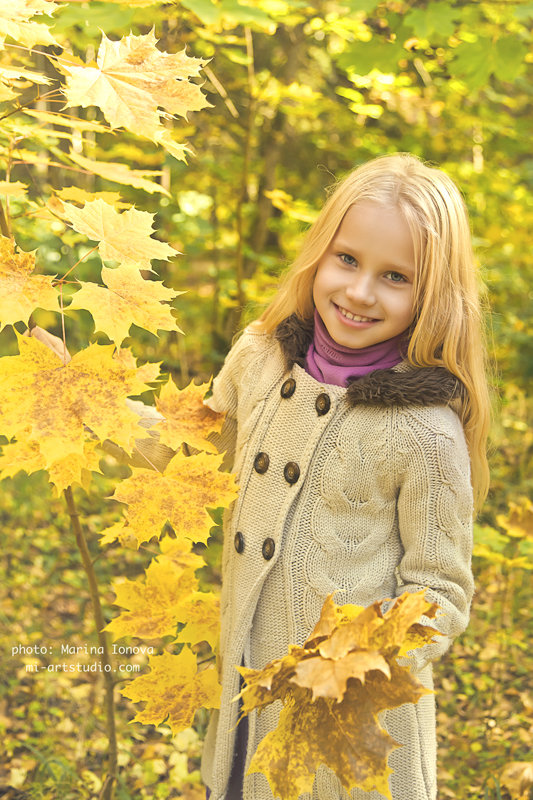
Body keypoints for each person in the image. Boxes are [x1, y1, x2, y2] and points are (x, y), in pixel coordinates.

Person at [200, 153, 491, 800]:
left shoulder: (423, 431)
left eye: (395, 276)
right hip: (250, 685)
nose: (360, 292)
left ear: (432, 294)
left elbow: (438, 594)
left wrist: (354, 667)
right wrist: (92, 401)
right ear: (317, 257)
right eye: (347, 260)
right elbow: (189, 457)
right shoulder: (258, 359)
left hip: (351, 731)